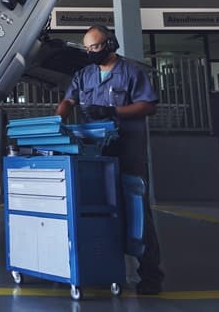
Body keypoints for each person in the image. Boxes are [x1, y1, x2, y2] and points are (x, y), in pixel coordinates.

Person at [55, 25, 164, 295]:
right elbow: (69, 100)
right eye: (87, 48)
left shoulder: (131, 71)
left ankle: (151, 275)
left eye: (95, 47)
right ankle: (104, 268)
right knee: (99, 210)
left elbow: (148, 105)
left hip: (128, 150)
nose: (91, 52)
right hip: (95, 153)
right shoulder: (84, 75)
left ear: (110, 43)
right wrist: (58, 118)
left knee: (137, 211)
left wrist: (112, 110)